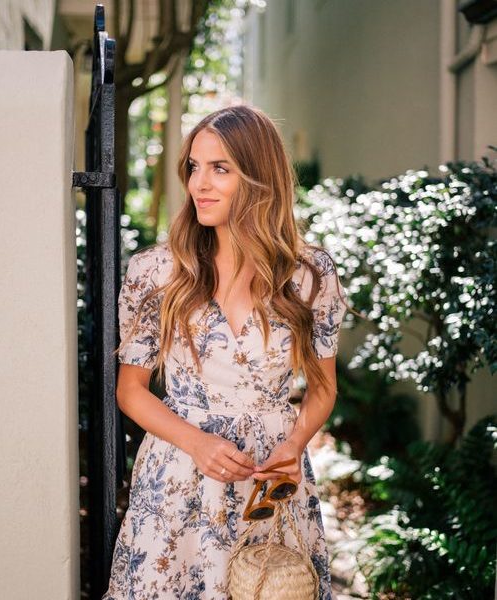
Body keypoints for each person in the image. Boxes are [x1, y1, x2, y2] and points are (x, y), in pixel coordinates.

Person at [102, 104, 351, 600]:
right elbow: (130, 391)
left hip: (268, 484)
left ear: (259, 178)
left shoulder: (309, 275)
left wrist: (294, 445)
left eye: (220, 169)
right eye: (194, 167)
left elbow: (323, 390)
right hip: (178, 479)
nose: (199, 184)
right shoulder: (156, 271)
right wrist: (197, 443)